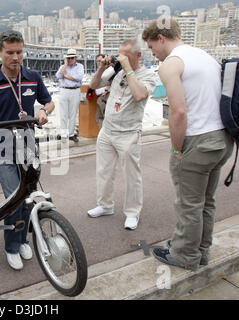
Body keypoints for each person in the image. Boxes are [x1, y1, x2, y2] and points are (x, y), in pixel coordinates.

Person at [142, 19, 234, 271]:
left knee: (188, 204)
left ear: (161, 37)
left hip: (198, 141)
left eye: (152, 47)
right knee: (206, 200)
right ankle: (201, 251)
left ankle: (184, 256)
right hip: (222, 140)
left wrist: (176, 148)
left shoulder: (171, 64)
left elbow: (178, 112)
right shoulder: (205, 56)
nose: (153, 53)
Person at [0, 30, 55, 270]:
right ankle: (11, 247)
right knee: (14, 199)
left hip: (29, 144)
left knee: (28, 197)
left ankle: (21, 240)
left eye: (19, 52)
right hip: (3, 147)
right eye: (10, 52)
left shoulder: (33, 76)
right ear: (0, 52)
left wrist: (44, 111)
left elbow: (49, 102)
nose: (15, 57)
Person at [87, 39, 157, 230]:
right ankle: (105, 205)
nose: (122, 59)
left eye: (126, 55)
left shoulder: (148, 75)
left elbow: (139, 95)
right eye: (120, 55)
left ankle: (133, 213)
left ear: (138, 55)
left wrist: (128, 69)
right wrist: (102, 68)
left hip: (128, 134)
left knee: (132, 175)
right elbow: (93, 86)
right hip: (107, 131)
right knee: (104, 171)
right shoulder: (115, 72)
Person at [55, 48, 84, 143]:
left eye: (72, 58)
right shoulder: (63, 66)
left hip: (75, 90)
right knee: (63, 114)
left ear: (75, 58)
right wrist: (65, 64)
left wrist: (66, 76)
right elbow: (58, 76)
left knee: (73, 113)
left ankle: (71, 134)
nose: (70, 59)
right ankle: (63, 135)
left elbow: (78, 78)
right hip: (64, 90)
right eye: (69, 58)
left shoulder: (80, 66)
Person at [91, 54, 112, 129]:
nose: (99, 63)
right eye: (97, 61)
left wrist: (106, 88)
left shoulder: (110, 72)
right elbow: (94, 87)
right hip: (99, 98)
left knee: (107, 120)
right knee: (98, 118)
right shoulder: (98, 72)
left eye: (101, 61)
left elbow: (111, 86)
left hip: (107, 99)